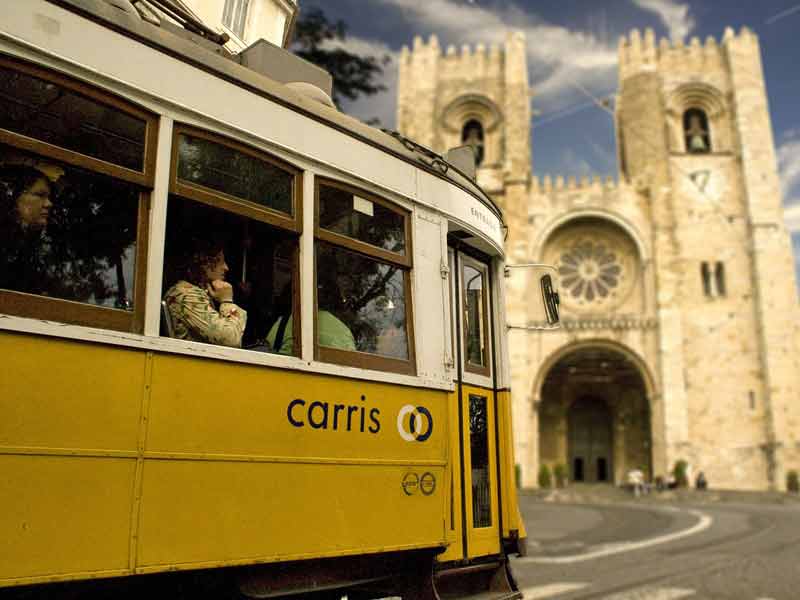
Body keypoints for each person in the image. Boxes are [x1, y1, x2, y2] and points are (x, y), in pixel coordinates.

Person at [163, 238, 247, 348]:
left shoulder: (192, 292)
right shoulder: (186, 295)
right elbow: (230, 339)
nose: (226, 268)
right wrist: (227, 301)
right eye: (220, 261)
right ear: (204, 263)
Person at [0, 164, 56, 294]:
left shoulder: (33, 248)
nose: (49, 204)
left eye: (48, 197)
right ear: (13, 197)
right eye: (40, 195)